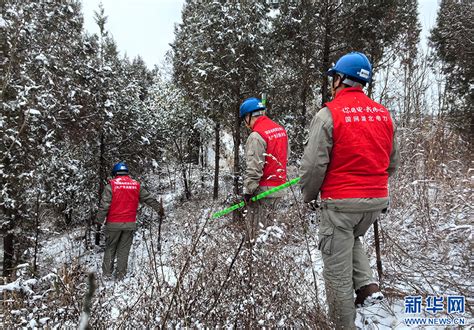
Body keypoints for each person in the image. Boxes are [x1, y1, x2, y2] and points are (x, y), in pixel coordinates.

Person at [299, 52, 400, 329]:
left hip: (341, 204)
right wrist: (372, 186)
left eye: (334, 77)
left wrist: (308, 195)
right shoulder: (384, 115)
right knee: (351, 239)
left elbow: (312, 167)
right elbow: (392, 163)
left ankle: (343, 325)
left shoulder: (328, 114)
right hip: (374, 203)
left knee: (337, 277)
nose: (332, 82)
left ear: (341, 79)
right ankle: (370, 293)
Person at [96, 162, 163, 280]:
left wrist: (99, 221)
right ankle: (120, 276)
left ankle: (107, 275)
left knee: (110, 248)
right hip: (130, 223)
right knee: (124, 250)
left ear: (115, 173)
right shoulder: (136, 185)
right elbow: (148, 199)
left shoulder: (111, 186)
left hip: (113, 223)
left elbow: (104, 206)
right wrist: (159, 209)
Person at [240, 97, 288, 243]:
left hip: (263, 193)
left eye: (244, 119)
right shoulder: (280, 130)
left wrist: (248, 192)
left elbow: (254, 169)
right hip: (279, 189)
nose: (245, 123)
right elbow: (286, 156)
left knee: (258, 236)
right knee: (273, 233)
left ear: (248, 116)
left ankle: (257, 264)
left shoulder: (256, 135)